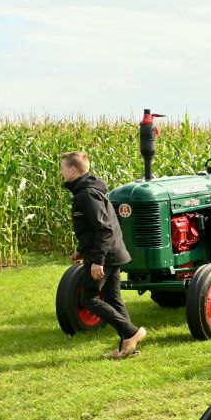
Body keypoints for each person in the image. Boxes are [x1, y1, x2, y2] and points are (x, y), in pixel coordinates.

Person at [60, 152, 145, 359]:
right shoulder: (87, 191)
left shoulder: (87, 194)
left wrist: (98, 260)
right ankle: (128, 348)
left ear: (73, 169)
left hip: (105, 255)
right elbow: (91, 228)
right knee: (114, 299)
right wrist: (81, 249)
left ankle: (133, 333)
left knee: (88, 298)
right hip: (111, 253)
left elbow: (104, 229)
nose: (61, 172)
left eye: (63, 168)